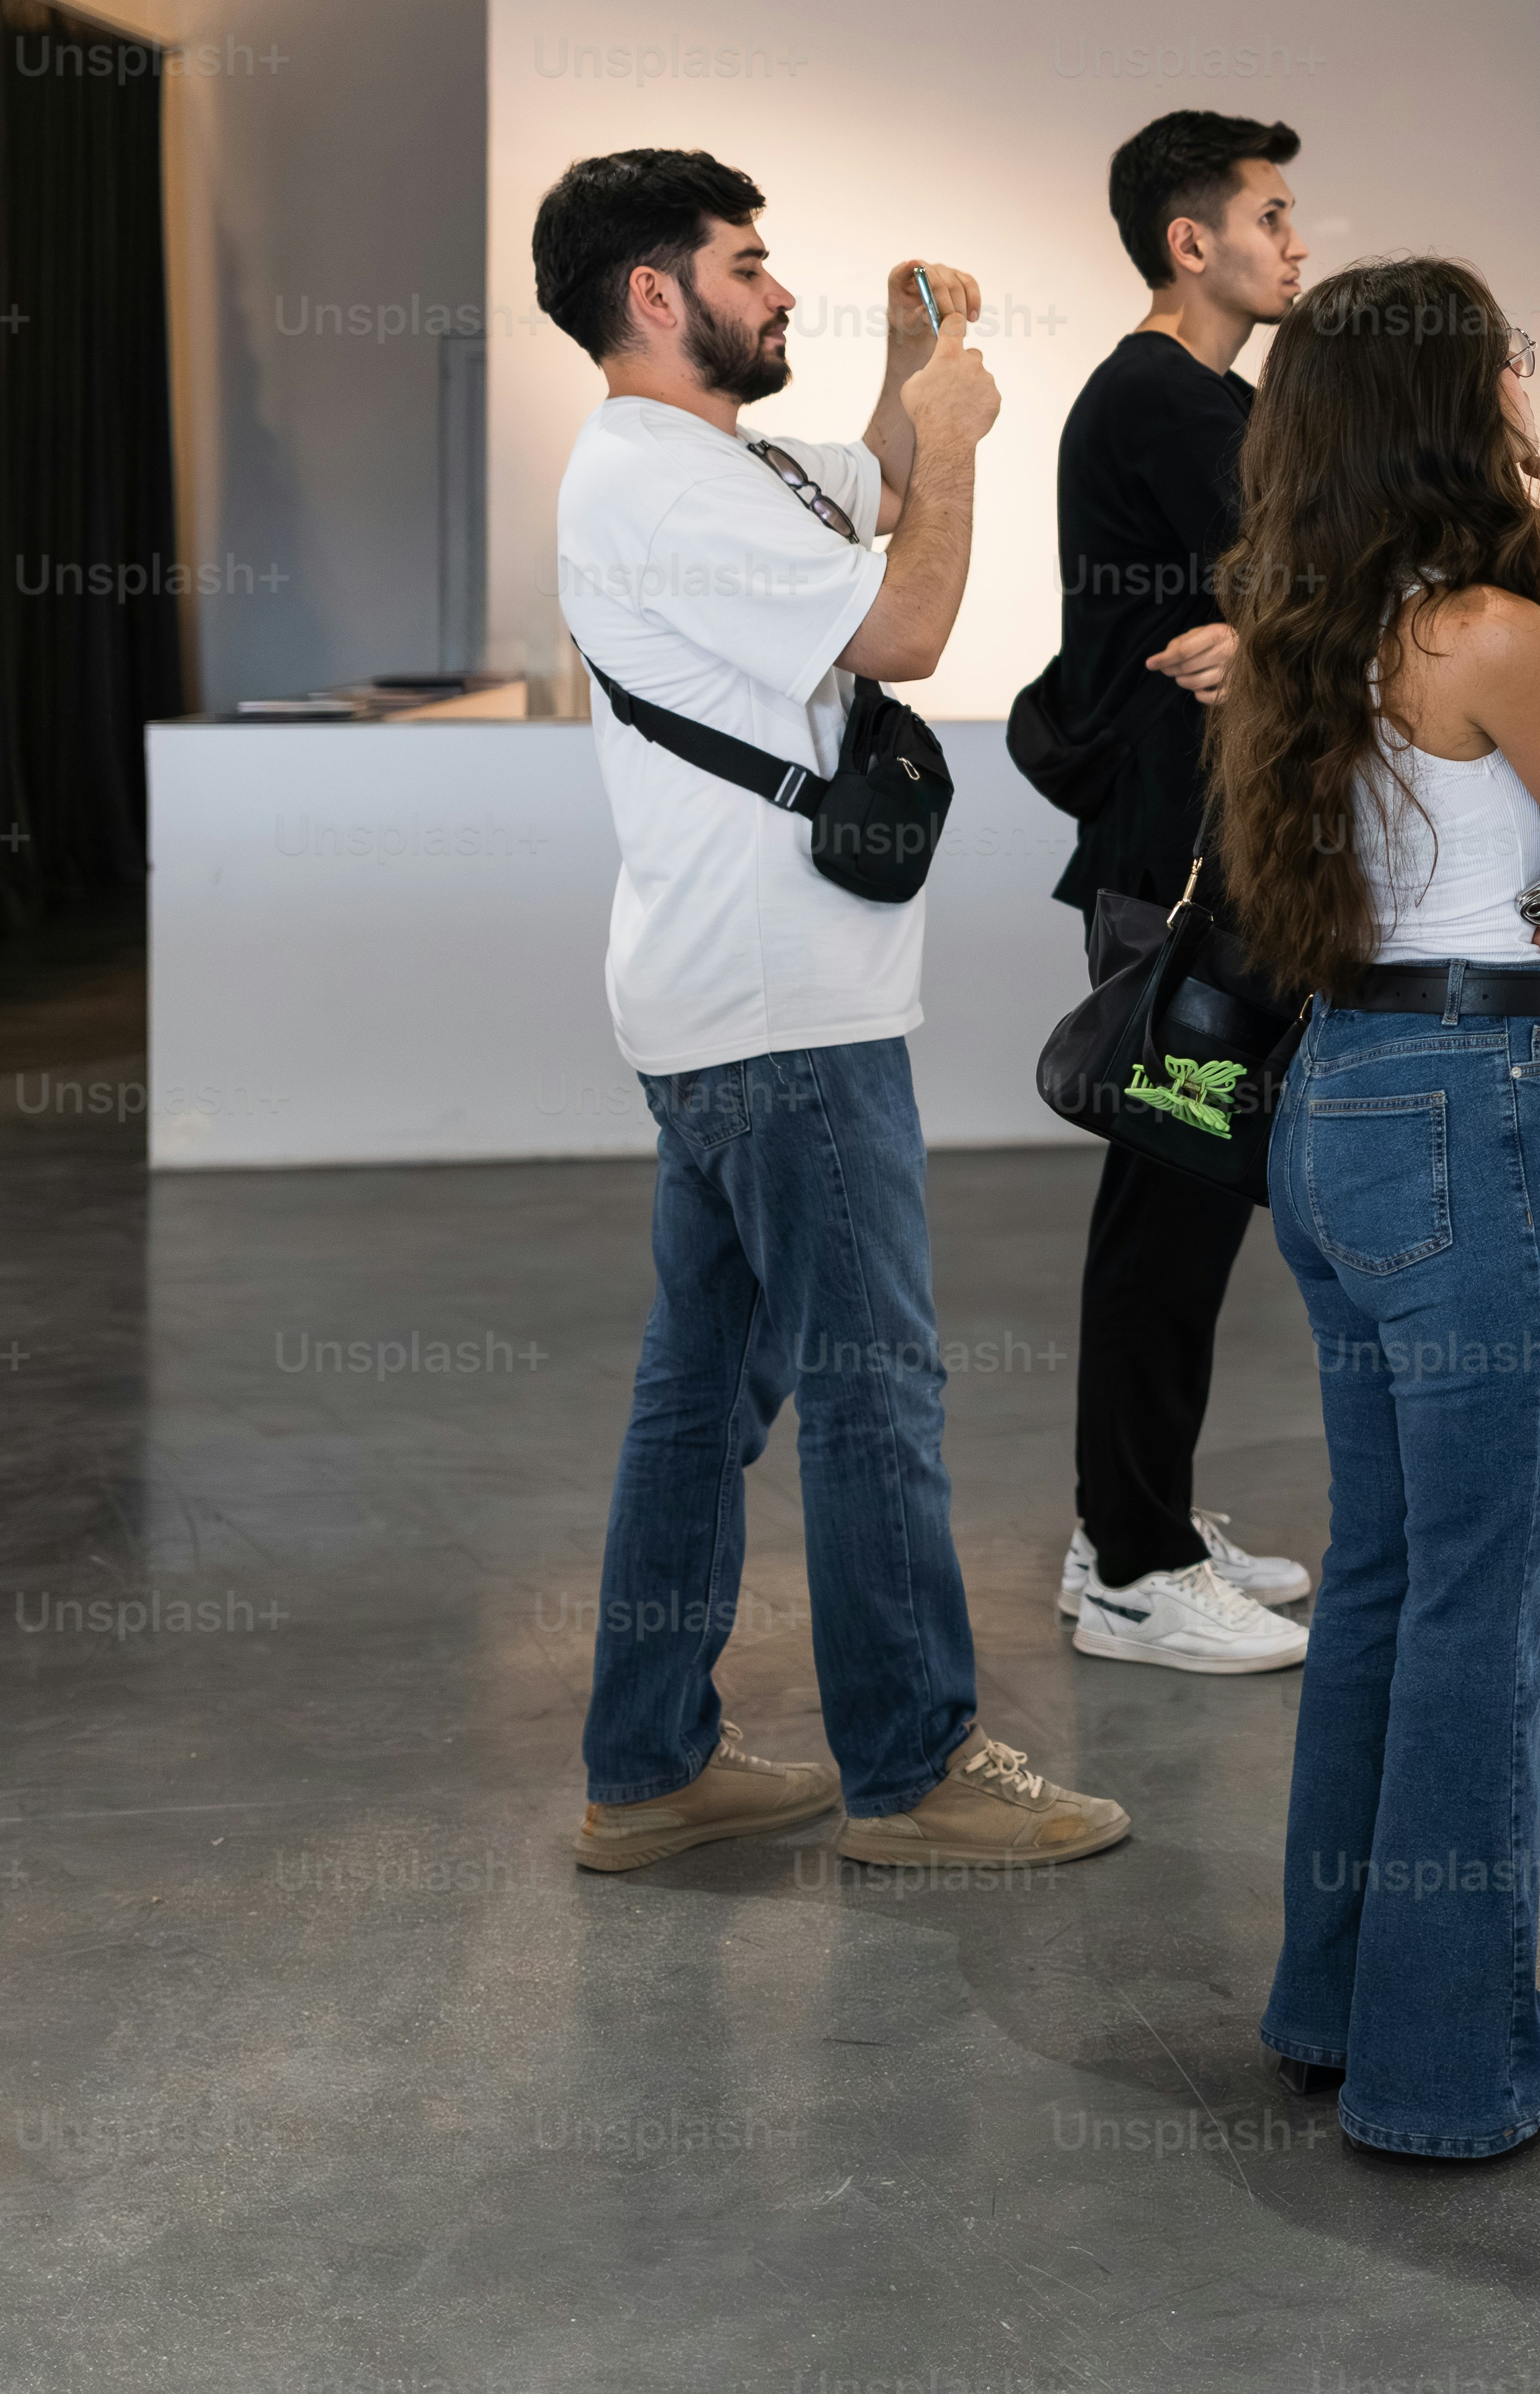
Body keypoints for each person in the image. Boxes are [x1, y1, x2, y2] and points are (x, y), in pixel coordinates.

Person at [535, 147, 1128, 1877]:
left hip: (724, 994)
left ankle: (646, 1763)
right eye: (748, 260)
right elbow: (914, 616)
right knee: (875, 1382)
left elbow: (860, 489)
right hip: (783, 1011)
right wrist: (956, 431)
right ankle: (915, 1763)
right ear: (657, 294)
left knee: (700, 1387)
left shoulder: (707, 462)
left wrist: (899, 382)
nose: (775, 284)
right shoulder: (662, 486)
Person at [1207, 257, 1540, 2158]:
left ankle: (1341, 2001)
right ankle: (1445, 2064)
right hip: (1470, 1114)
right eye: (1504, 366)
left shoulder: (1301, 613)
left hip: (1336, 1104)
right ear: (1457, 401)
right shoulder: (1491, 628)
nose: (1521, 388)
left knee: (1390, 1582)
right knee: (1487, 1594)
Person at [1032, 112, 1319, 1675]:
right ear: (1189, 241)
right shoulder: (1157, 395)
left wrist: (1273, 632)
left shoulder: (1215, 396)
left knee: (1186, 1195)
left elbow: (1304, 584)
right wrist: (1286, 620)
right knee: (1172, 1196)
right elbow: (1325, 569)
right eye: (1272, 215)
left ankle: (1123, 1518)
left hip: (1210, 847)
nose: (1296, 241)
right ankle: (1133, 1561)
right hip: (1177, 861)